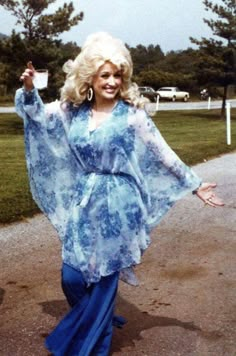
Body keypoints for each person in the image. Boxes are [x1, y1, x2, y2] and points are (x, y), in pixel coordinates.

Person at [15, 32, 224, 356]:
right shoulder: (74, 110)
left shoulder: (133, 115)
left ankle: (94, 345)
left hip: (120, 205)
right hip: (85, 200)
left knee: (103, 280)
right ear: (91, 77)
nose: (112, 81)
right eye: (105, 75)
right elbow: (39, 117)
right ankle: (97, 320)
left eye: (117, 75)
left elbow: (162, 153)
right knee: (72, 275)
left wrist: (194, 184)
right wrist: (29, 90)